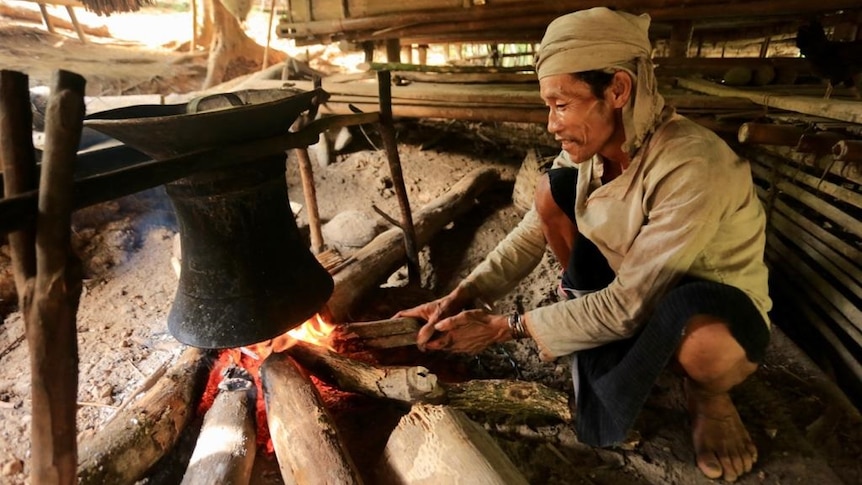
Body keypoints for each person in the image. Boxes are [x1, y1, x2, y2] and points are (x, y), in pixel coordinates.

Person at [395, 7, 772, 483]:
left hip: (706, 306)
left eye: (562, 104)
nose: (551, 124)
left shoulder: (691, 165)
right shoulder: (591, 151)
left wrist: (505, 328)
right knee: (551, 192)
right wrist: (463, 295)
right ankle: (590, 326)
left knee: (705, 347)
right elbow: (532, 232)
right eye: (547, 106)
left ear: (617, 90)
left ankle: (710, 398)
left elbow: (632, 302)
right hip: (632, 293)